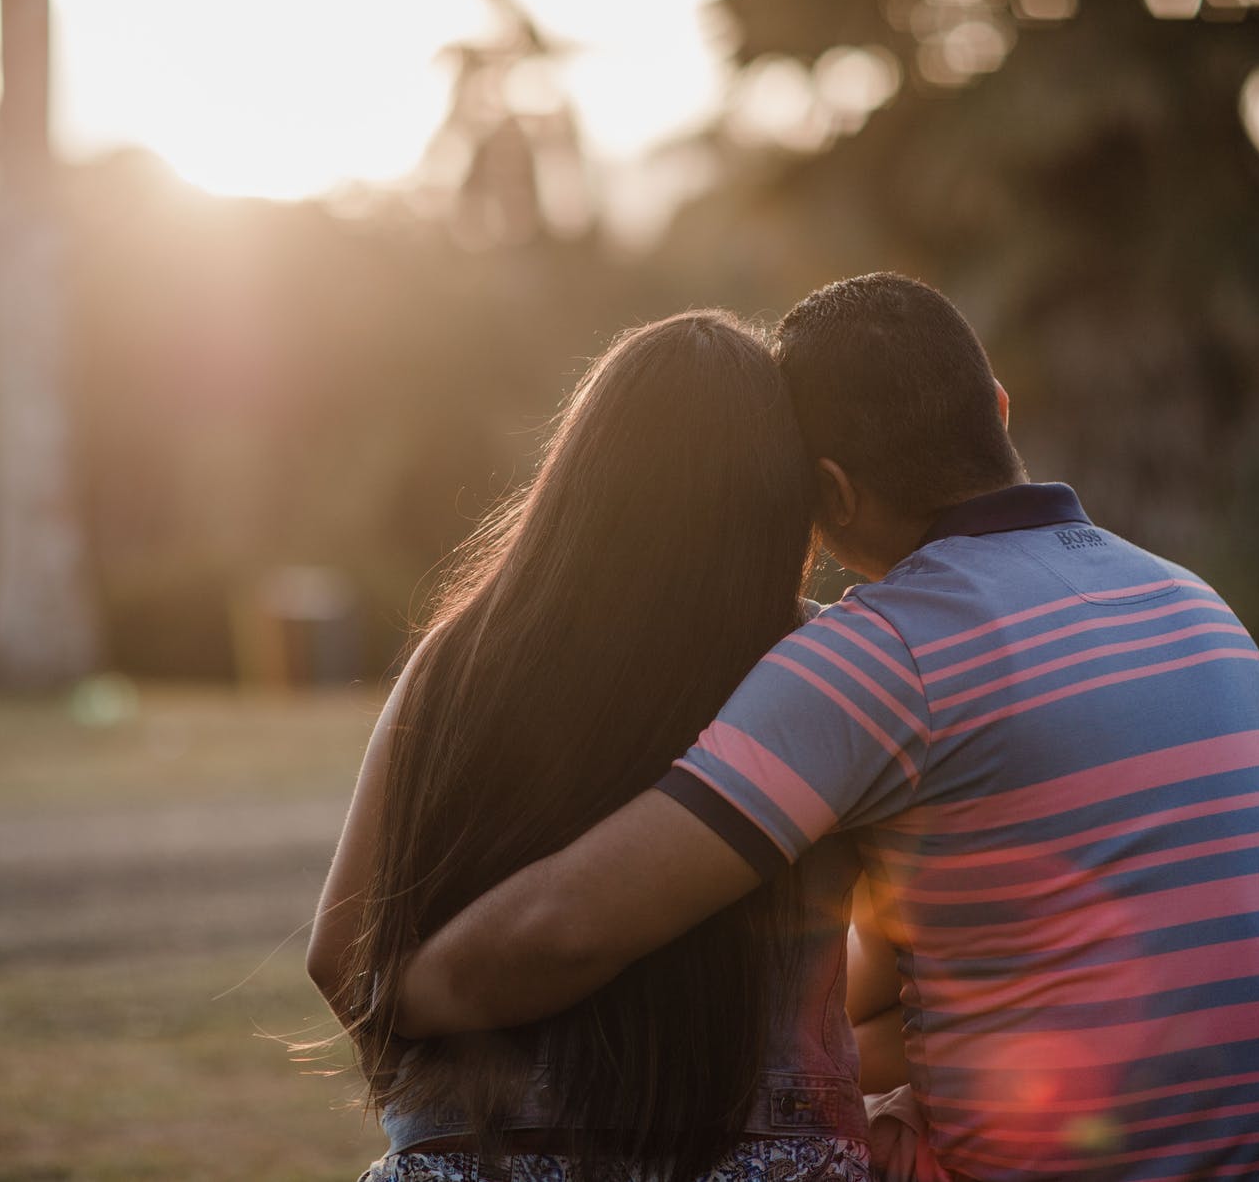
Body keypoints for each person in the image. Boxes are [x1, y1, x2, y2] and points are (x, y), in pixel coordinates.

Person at [394, 274, 1259, 1182]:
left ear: (827, 494)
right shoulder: (1194, 605)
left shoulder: (879, 655)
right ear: (996, 404)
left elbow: (568, 927)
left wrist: (398, 998)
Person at [306, 310, 881, 1181]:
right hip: (768, 1155)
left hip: (469, 1154)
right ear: (780, 496)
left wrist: (464, 1094)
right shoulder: (832, 670)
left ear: (578, 474)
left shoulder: (454, 661)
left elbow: (339, 955)